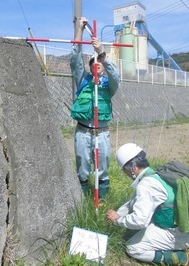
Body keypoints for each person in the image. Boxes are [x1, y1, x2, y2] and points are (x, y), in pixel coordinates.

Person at [107, 143, 189, 265]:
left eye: (124, 170)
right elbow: (133, 201)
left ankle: (180, 257)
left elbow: (140, 220)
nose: (125, 174)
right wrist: (119, 214)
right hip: (183, 225)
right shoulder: (155, 175)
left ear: (133, 167)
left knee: (133, 248)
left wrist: (118, 220)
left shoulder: (146, 185)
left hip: (177, 233)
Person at [70, 17, 120, 198]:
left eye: (99, 63)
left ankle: (103, 200)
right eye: (93, 63)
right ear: (90, 67)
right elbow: (75, 58)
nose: (96, 65)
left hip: (102, 133)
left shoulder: (109, 85)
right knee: (82, 168)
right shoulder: (83, 80)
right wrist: (80, 30)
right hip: (83, 132)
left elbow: (117, 77)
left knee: (103, 168)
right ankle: (82, 200)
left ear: (103, 67)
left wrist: (102, 53)